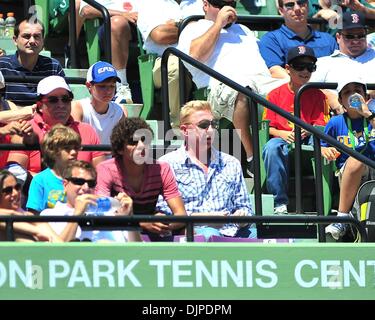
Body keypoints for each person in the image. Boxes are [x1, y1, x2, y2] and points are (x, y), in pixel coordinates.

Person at [178, 0, 286, 177]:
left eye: (230, 3)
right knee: (242, 89)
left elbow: (267, 68)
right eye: (219, 3)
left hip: (260, 81)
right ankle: (252, 158)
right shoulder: (194, 27)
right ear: (206, 5)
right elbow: (195, 56)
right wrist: (218, 23)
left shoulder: (244, 30)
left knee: (299, 91)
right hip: (220, 85)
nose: (226, 8)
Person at [156, 100, 256, 241]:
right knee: (209, 234)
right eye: (203, 125)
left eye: (213, 125)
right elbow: (163, 211)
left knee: (261, 237)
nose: (210, 130)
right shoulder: (167, 164)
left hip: (232, 230)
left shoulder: (231, 163)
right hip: (192, 232)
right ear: (185, 130)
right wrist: (204, 219)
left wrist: (242, 217)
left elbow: (244, 206)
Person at [263, 45, 330, 215]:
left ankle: (326, 203)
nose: (305, 71)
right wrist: (283, 134)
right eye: (299, 66)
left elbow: (321, 124)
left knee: (326, 147)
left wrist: (308, 130)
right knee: (272, 147)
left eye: (310, 67)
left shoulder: (319, 95)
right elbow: (267, 127)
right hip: (283, 138)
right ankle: (279, 203)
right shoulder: (274, 94)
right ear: (288, 68)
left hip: (309, 138)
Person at [95, 117, 187, 241]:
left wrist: (163, 225)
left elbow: (181, 215)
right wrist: (144, 223)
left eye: (144, 140)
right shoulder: (105, 169)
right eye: (133, 142)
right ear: (119, 149)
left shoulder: (162, 169)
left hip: (152, 235)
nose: (141, 145)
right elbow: (102, 214)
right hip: (118, 235)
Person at [6, 75, 106, 176]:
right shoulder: (26, 129)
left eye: (66, 99)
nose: (61, 104)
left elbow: (101, 174)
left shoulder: (87, 130)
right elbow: (16, 173)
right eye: (53, 100)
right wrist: (55, 181)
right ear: (40, 105)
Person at [322, 76, 375, 240]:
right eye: (347, 92)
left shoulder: (372, 118)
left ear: (366, 98)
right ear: (340, 101)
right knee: (356, 159)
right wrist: (325, 150)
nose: (353, 95)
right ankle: (342, 217)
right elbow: (321, 145)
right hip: (349, 173)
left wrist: (367, 114)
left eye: (358, 91)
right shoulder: (335, 122)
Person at [137, 0, 203, 127]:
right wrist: (191, 27)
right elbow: (160, 35)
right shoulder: (150, 4)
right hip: (161, 62)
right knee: (175, 64)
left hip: (198, 59)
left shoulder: (200, 3)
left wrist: (177, 25)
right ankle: (178, 126)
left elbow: (211, 30)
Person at [41, 160, 140, 242]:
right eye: (79, 182)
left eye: (91, 183)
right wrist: (77, 215)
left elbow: (137, 252)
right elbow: (56, 253)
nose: (86, 187)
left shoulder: (110, 213)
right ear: (65, 185)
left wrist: (129, 219)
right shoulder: (50, 215)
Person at [310, 10, 375, 114]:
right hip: (339, 122)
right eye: (349, 36)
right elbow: (304, 87)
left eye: (360, 36)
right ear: (338, 37)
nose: (356, 41)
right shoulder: (324, 63)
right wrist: (329, 96)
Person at [259, 0, 337, 79]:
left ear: (307, 6)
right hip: (295, 90)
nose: (297, 8)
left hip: (330, 89)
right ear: (281, 11)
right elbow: (276, 71)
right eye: (290, 5)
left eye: (301, 3)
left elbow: (340, 68)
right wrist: (312, 88)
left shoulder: (328, 40)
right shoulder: (271, 40)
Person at [79, 0, 138, 103]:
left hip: (140, 27)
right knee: (118, 23)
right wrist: (123, 14)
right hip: (109, 25)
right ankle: (122, 87)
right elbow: (86, 10)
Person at [0, 16, 65, 106]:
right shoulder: (2, 65)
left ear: (43, 41)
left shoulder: (53, 66)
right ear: (15, 40)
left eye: (37, 36)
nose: (32, 41)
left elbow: (64, 101)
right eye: (26, 36)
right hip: (11, 118)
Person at [26, 124, 81, 215]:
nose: (74, 152)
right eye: (67, 149)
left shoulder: (82, 177)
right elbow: (33, 215)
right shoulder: (40, 180)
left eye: (76, 148)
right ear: (53, 151)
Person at [71, 61, 127, 146]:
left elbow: (123, 144)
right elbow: (76, 144)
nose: (108, 91)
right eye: (102, 86)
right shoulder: (78, 108)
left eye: (112, 86)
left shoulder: (120, 110)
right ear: (89, 86)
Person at [0, 170, 62, 242]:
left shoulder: (31, 218)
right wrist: (36, 231)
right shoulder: (26, 218)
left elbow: (58, 243)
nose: (15, 193)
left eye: (17, 187)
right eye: (8, 190)